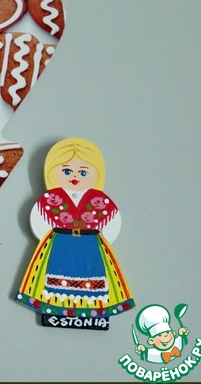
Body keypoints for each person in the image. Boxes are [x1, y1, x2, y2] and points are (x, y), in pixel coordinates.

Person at [16, 137, 135, 319]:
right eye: (67, 171)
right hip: (60, 242)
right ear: (53, 172)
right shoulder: (51, 198)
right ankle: (58, 307)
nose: (74, 177)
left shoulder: (100, 200)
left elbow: (112, 223)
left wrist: (103, 241)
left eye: (83, 172)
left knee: (91, 275)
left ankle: (89, 309)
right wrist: (48, 239)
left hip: (90, 244)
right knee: (57, 275)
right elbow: (39, 221)